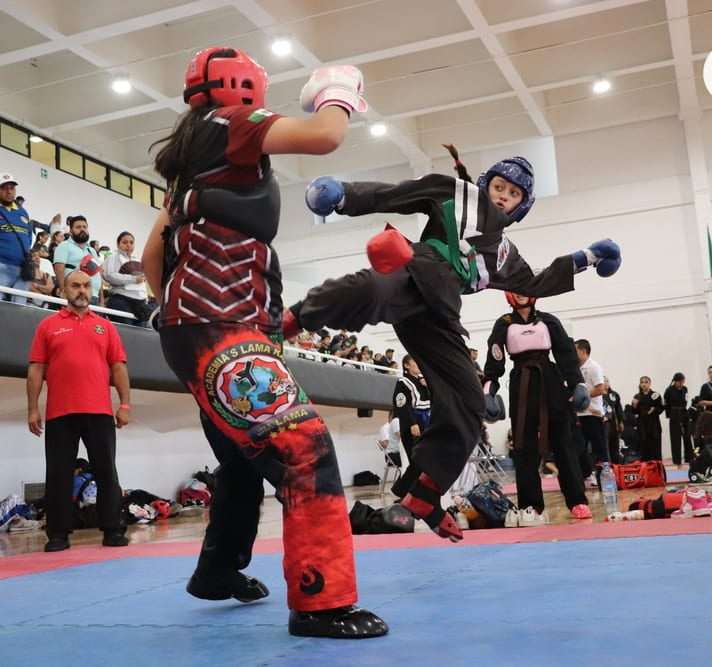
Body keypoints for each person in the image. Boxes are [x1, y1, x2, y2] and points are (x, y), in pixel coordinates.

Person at [140, 47, 385, 639]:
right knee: (304, 447)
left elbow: (152, 257)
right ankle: (321, 602)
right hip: (219, 328)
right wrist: (336, 88)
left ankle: (218, 571)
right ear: (241, 86)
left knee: (242, 456)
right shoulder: (233, 122)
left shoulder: (189, 165)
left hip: (204, 326)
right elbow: (326, 136)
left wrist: (182, 311)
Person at [283, 147, 621, 540]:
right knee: (370, 287)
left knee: (468, 403)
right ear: (486, 184)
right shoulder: (456, 193)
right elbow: (398, 193)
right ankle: (286, 322)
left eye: (514, 194)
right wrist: (344, 196)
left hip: (441, 314)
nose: (503, 197)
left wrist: (589, 257)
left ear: (522, 206)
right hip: (414, 274)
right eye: (499, 187)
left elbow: (537, 282)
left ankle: (424, 496)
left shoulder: (506, 256)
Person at [26, 270, 130, 552]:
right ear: (64, 290)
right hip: (60, 413)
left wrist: (124, 404)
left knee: (106, 472)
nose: (82, 290)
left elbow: (118, 367)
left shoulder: (106, 327)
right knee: (58, 474)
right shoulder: (47, 326)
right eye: (75, 285)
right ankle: (58, 535)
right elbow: (36, 369)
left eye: (86, 285)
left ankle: (113, 529)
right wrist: (33, 409)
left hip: (99, 412)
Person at [483, 292, 591, 522]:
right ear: (509, 294)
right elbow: (494, 361)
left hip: (550, 382)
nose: (521, 294)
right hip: (521, 384)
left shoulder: (548, 320)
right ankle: (531, 505)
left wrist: (578, 384)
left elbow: (565, 355)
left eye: (525, 289)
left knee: (564, 442)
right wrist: (488, 392)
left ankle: (577, 500)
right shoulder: (504, 324)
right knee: (523, 445)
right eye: (516, 289)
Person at [390, 355, 431, 498]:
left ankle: (413, 493)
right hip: (412, 423)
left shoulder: (422, 381)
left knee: (425, 461)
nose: (418, 364)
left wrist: (427, 386)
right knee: (417, 461)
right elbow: (402, 404)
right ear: (406, 365)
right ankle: (401, 490)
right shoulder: (403, 382)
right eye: (415, 362)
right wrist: (412, 423)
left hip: (426, 422)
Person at [574, 339, 608, 482]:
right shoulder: (575, 368)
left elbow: (601, 389)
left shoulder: (593, 367)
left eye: (575, 350)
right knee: (579, 447)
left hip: (593, 413)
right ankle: (586, 474)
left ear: (583, 351)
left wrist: (583, 398)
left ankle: (603, 476)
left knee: (598, 447)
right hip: (579, 414)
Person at [102, 231, 151, 326]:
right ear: (118, 244)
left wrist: (145, 299)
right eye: (125, 242)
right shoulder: (112, 258)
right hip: (121, 299)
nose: (128, 245)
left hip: (140, 302)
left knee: (140, 331)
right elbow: (109, 275)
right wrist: (133, 279)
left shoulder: (137, 260)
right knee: (126, 329)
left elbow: (142, 283)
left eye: (131, 242)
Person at [53, 216, 104, 306]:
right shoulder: (64, 246)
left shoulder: (91, 250)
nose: (82, 229)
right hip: (75, 295)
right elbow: (59, 269)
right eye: (78, 227)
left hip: (94, 296)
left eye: (84, 227)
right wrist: (63, 291)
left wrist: (102, 299)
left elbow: (97, 274)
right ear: (71, 230)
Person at [0, 173, 32, 304]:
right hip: (2, 266)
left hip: (23, 269)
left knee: (19, 307)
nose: (9, 191)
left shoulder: (23, 212)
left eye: (12, 188)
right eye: (4, 188)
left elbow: (29, 237)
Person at [664, 372, 693, 466]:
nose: (681, 383)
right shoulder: (669, 390)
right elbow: (666, 404)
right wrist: (669, 414)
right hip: (674, 414)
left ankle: (689, 457)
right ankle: (677, 460)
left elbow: (686, 400)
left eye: (682, 381)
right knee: (675, 438)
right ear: (675, 381)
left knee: (687, 435)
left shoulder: (685, 389)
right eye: (679, 382)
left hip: (684, 413)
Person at [633, 376, 664, 461]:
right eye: (642, 382)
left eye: (646, 382)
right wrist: (634, 406)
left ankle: (657, 466)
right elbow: (634, 412)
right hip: (642, 425)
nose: (644, 384)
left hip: (654, 424)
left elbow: (661, 408)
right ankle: (645, 467)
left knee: (655, 447)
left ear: (650, 383)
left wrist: (654, 410)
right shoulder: (637, 396)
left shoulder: (655, 395)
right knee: (644, 447)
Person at [602, 377, 624, 463]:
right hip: (604, 422)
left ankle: (616, 463)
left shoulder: (614, 394)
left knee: (615, 443)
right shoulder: (597, 395)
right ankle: (607, 464)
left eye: (607, 381)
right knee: (605, 444)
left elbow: (619, 409)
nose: (606, 383)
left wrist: (621, 421)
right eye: (604, 381)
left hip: (614, 423)